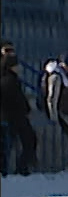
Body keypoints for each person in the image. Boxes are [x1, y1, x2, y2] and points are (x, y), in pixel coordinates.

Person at [0, 41, 38, 175]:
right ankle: (20, 169)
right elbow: (17, 99)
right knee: (16, 143)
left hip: (14, 116)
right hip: (13, 116)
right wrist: (25, 109)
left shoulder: (13, 79)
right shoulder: (9, 81)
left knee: (12, 144)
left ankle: (19, 168)